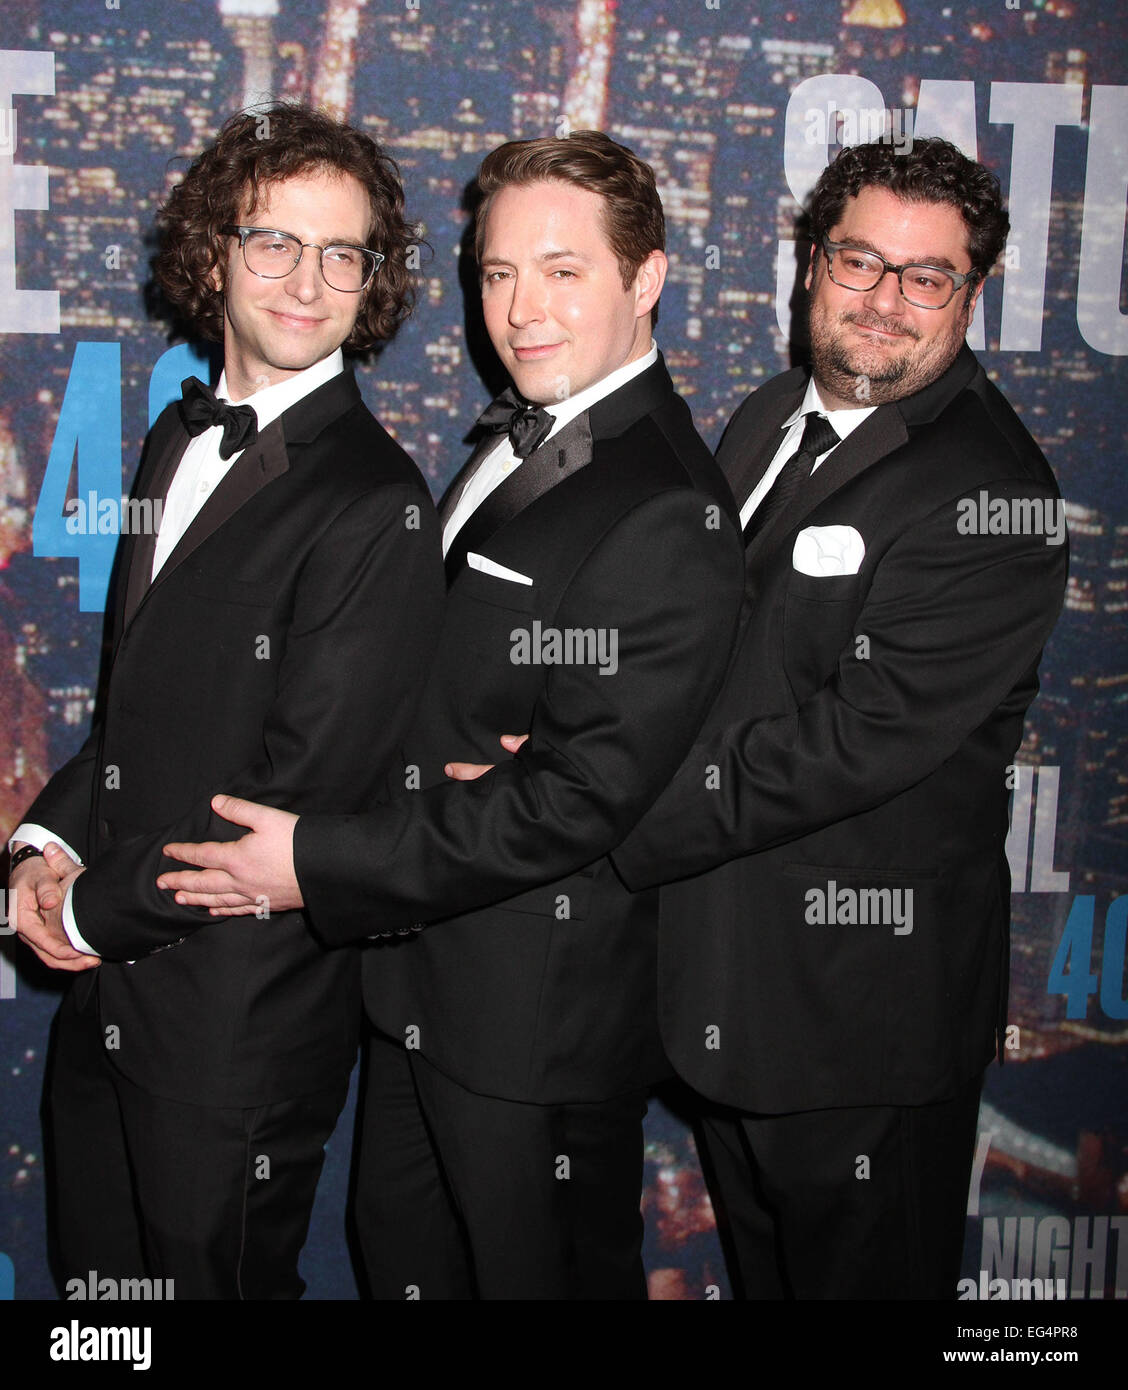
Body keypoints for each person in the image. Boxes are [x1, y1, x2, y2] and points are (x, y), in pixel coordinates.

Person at [159, 130, 746, 1299]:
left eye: (563, 271)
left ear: (648, 278)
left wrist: (313, 859)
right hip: (425, 990)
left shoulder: (665, 501)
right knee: (402, 1265)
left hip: (535, 1029)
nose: (520, 309)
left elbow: (573, 800)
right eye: (497, 273)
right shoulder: (523, 423)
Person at [607, 137, 1069, 1298]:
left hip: (858, 1023)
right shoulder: (770, 415)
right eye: (860, 260)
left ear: (971, 294)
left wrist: (598, 806)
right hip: (728, 990)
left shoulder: (994, 493)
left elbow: (849, 746)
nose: (884, 301)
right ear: (811, 263)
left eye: (927, 277)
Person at [8, 103, 444, 1299]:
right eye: (273, 242)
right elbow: (135, 711)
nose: (307, 280)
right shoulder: (168, 440)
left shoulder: (376, 504)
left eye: (341, 252)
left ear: (373, 281)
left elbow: (287, 804)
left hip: (233, 1031)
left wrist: (91, 908)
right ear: (214, 255)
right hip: (106, 1005)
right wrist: (45, 840)